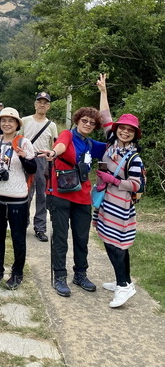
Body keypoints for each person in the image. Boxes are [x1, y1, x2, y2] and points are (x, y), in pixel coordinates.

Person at [42, 107, 106, 297]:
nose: (87, 124)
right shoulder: (67, 135)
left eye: (92, 123)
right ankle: (60, 276)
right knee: (61, 238)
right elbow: (60, 145)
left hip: (83, 197)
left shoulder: (90, 143)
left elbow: (112, 145)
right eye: (85, 120)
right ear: (78, 120)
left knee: (81, 238)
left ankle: (80, 274)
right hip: (60, 195)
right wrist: (53, 153)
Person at [94, 74, 143, 308]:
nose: (124, 132)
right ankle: (122, 280)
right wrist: (103, 92)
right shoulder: (112, 144)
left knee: (117, 245)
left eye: (129, 131)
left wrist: (111, 179)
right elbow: (105, 116)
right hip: (107, 203)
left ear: (134, 134)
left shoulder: (134, 157)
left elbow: (135, 184)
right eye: (122, 128)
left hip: (120, 205)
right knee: (108, 241)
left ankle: (124, 286)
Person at [0, 108, 37, 289]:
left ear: (17, 124)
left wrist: (23, 157)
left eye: (11, 121)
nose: (7, 124)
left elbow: (33, 169)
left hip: (17, 197)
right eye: (3, 120)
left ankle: (17, 273)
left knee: (18, 237)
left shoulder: (24, 143)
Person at [19, 92, 58, 242]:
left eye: (45, 102)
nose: (42, 105)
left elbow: (54, 146)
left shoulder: (52, 125)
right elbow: (18, 139)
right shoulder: (25, 121)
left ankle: (40, 227)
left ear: (48, 106)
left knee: (42, 195)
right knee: (24, 193)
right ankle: (22, 223)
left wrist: (52, 161)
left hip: (43, 160)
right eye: (39, 102)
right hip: (27, 159)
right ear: (35, 104)